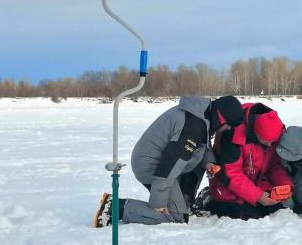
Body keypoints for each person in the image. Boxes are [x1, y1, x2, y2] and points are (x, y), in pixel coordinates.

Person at [93, 95, 243, 227]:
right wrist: (158, 202)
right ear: (222, 118)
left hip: (159, 163)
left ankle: (183, 201)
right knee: (177, 217)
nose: (227, 129)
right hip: (150, 165)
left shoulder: (201, 116)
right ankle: (114, 208)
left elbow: (203, 146)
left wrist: (208, 162)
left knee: (195, 169)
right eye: (228, 125)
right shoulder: (193, 127)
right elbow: (170, 164)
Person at [198, 102, 293, 220]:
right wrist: (258, 196)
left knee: (275, 209)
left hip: (256, 182)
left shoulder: (274, 129)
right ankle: (208, 199)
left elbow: (274, 166)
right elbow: (230, 174)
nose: (270, 145)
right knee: (246, 214)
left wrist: (284, 185)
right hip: (228, 185)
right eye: (266, 141)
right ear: (256, 133)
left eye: (273, 142)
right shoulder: (232, 132)